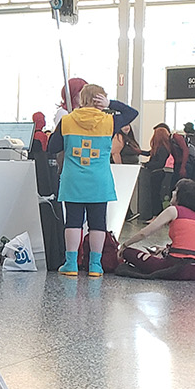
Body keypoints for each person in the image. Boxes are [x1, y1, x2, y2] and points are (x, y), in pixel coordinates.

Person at [46, 81, 137, 277]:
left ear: (81, 99)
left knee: (73, 222)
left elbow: (52, 147)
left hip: (73, 180)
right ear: (101, 100)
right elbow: (132, 113)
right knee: (98, 223)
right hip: (99, 180)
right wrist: (110, 104)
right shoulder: (109, 121)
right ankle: (95, 265)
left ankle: (71, 263)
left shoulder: (67, 120)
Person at [117, 179, 195, 281]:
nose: (173, 192)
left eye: (176, 190)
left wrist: (124, 245)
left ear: (181, 196)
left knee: (128, 253)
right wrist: (165, 250)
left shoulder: (174, 211)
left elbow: (144, 233)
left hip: (175, 268)